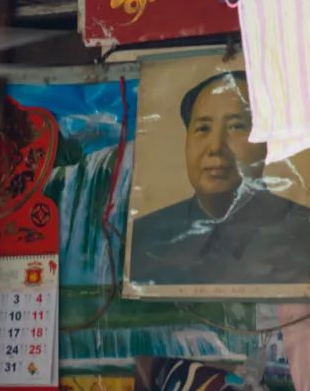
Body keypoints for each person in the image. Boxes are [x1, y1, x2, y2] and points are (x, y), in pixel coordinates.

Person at [130, 69, 310, 287]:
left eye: (236, 127)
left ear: (269, 141)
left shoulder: (302, 231)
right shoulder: (144, 238)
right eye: (203, 128)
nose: (215, 147)